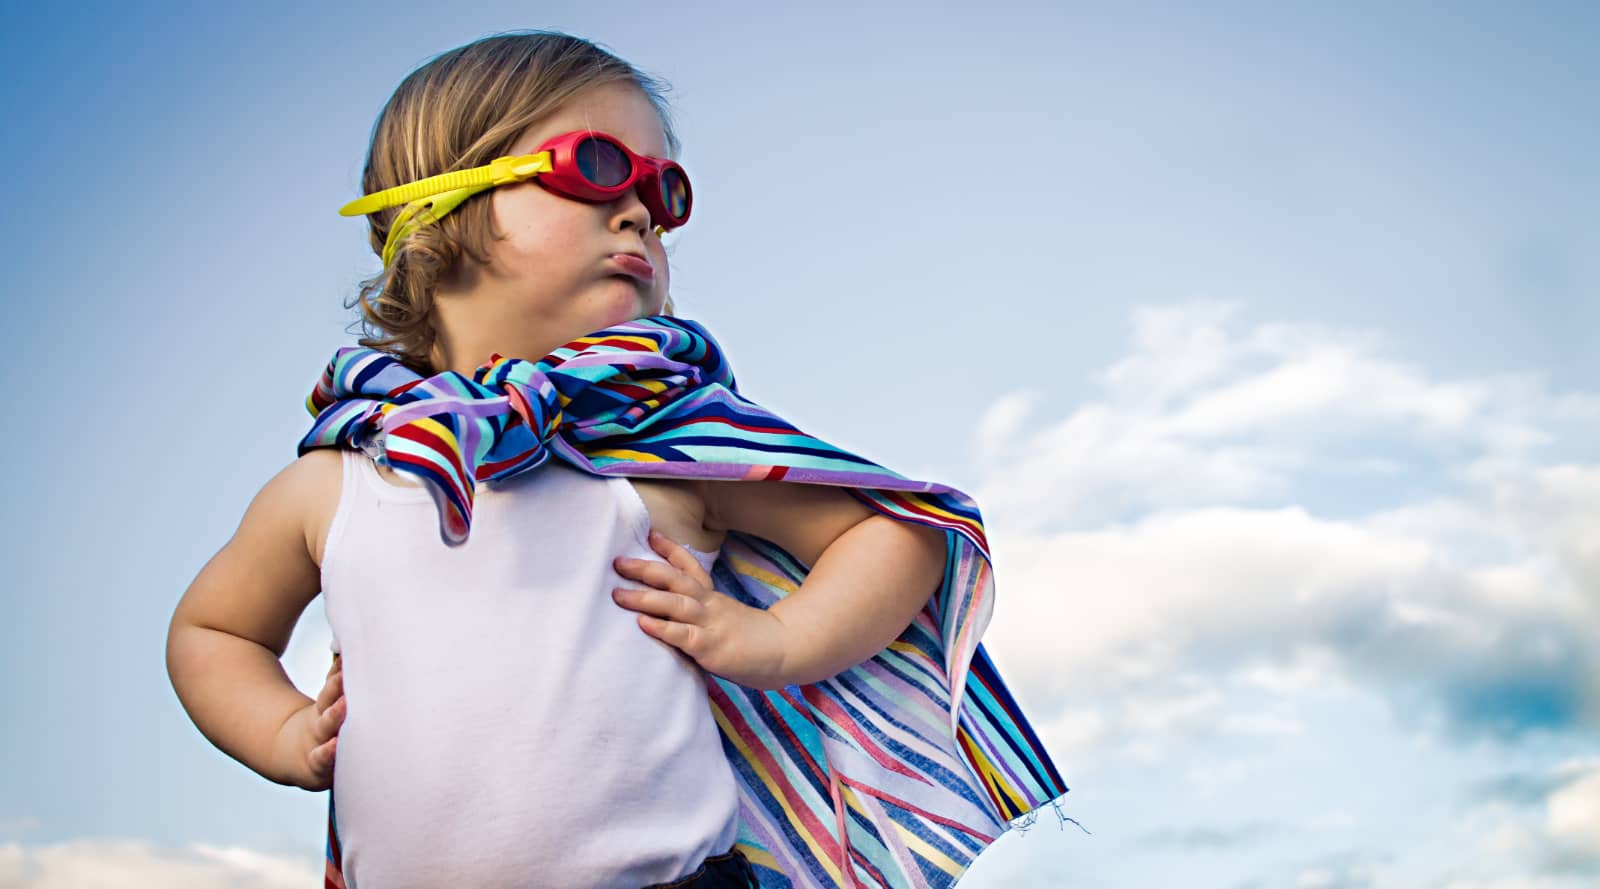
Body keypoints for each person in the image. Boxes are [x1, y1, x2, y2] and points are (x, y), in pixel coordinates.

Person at [166, 30, 1068, 889]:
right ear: (437, 209)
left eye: (663, 192)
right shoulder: (337, 479)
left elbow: (897, 539)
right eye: (595, 168)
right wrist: (286, 733)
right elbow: (214, 633)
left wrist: (772, 638)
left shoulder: (663, 446)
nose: (639, 210)